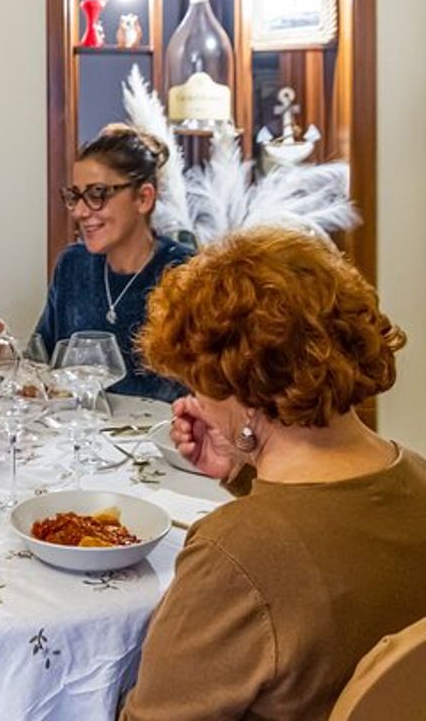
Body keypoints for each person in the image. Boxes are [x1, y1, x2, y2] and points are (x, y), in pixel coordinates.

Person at [119, 227, 425, 719]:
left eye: (198, 383)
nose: (196, 402)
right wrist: (243, 468)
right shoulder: (416, 477)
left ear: (245, 393)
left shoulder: (233, 557)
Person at [0, 124, 193, 401]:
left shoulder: (187, 273)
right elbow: (45, 370)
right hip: (77, 427)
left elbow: (213, 388)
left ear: (144, 198)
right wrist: (6, 355)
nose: (79, 211)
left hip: (166, 429)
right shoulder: (72, 265)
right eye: (75, 196)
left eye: (97, 194)